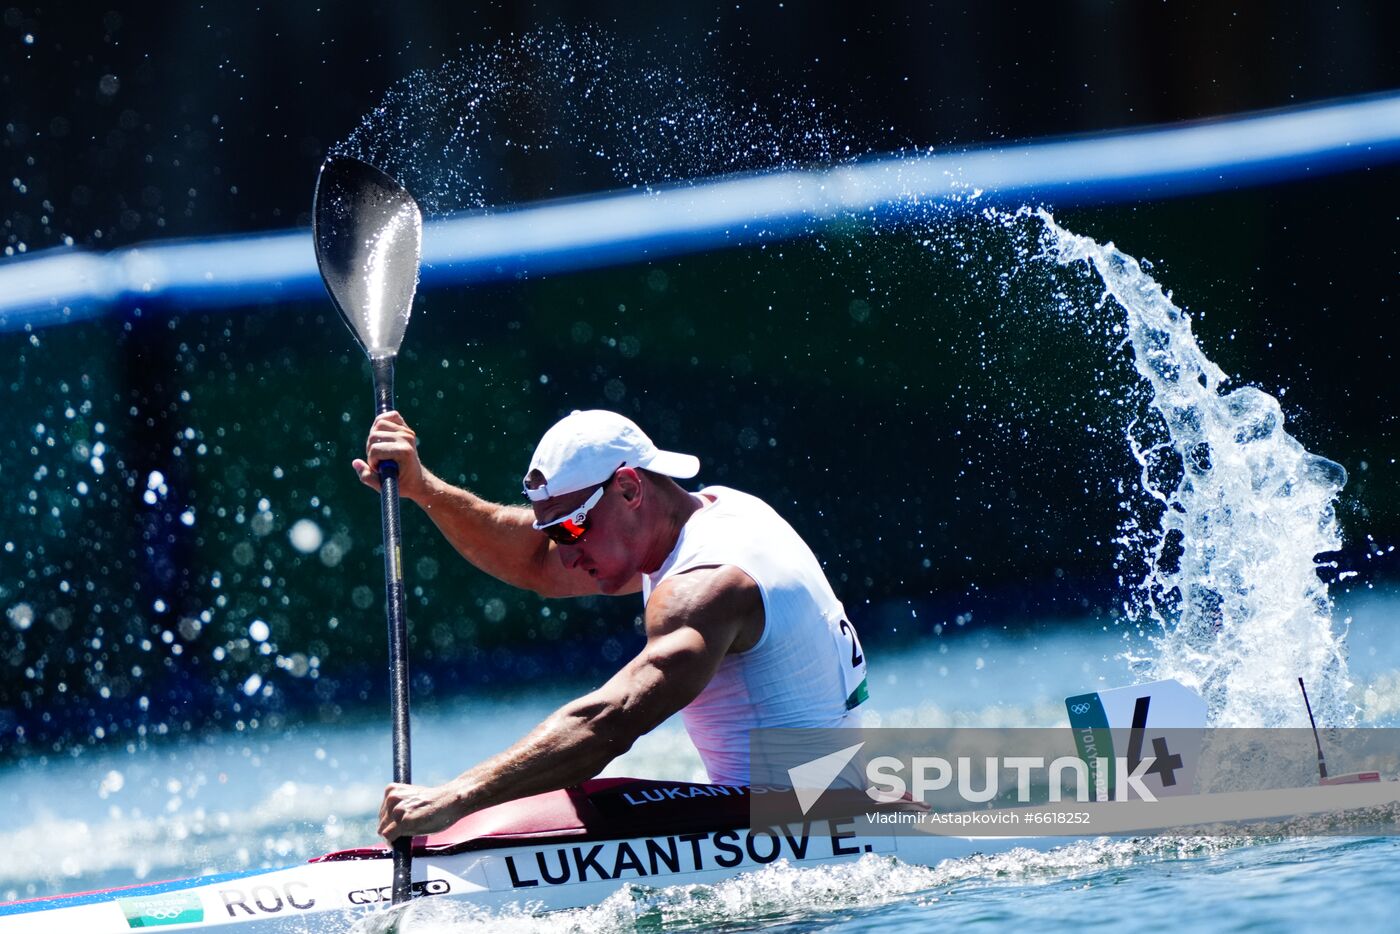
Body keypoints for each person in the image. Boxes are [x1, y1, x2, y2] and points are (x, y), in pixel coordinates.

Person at [353, 408, 868, 841]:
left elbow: (611, 722)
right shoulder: (723, 509)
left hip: (797, 826)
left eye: (573, 527)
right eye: (555, 531)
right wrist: (423, 488)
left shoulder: (708, 587)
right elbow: (534, 560)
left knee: (486, 821)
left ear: (627, 488)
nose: (565, 552)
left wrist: (455, 795)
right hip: (833, 796)